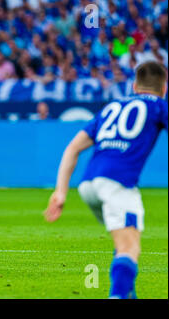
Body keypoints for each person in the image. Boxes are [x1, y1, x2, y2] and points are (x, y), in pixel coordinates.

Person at [44, 61, 168, 299]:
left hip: (88, 185)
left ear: (134, 85)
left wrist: (60, 192)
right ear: (164, 87)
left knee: (123, 239)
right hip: (117, 184)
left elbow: (72, 149)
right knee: (130, 248)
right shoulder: (160, 107)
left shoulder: (113, 106)